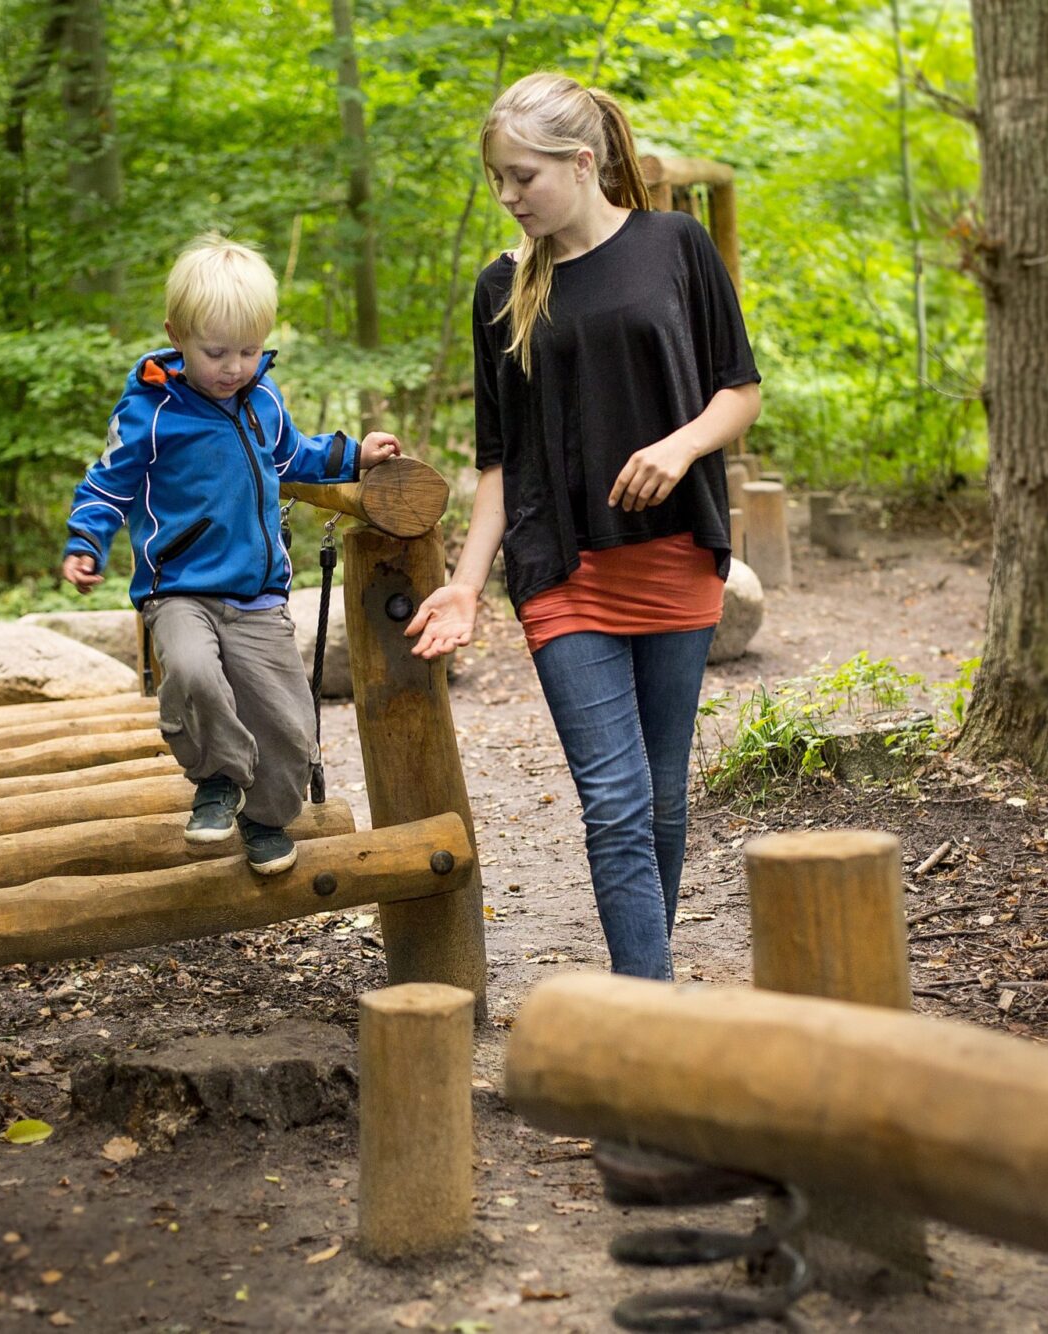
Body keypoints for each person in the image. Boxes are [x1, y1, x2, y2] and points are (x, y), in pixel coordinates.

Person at [406, 73, 761, 981]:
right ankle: (650, 1016)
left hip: (676, 556)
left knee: (665, 799)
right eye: (496, 179)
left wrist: (680, 449)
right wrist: (466, 580)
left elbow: (739, 393)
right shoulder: (502, 288)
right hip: (561, 571)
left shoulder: (675, 246)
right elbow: (500, 460)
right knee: (616, 801)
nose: (508, 195)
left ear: (582, 161)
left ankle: (646, 987)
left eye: (523, 176)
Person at [61, 233, 401, 874]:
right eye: (216, 352)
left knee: (291, 727)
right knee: (189, 672)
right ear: (176, 334)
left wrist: (355, 455)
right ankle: (217, 779)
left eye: (248, 351)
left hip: (258, 593)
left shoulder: (260, 401)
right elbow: (107, 482)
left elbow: (293, 455)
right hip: (179, 589)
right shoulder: (150, 411)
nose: (233, 367)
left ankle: (263, 818)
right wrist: (87, 541)